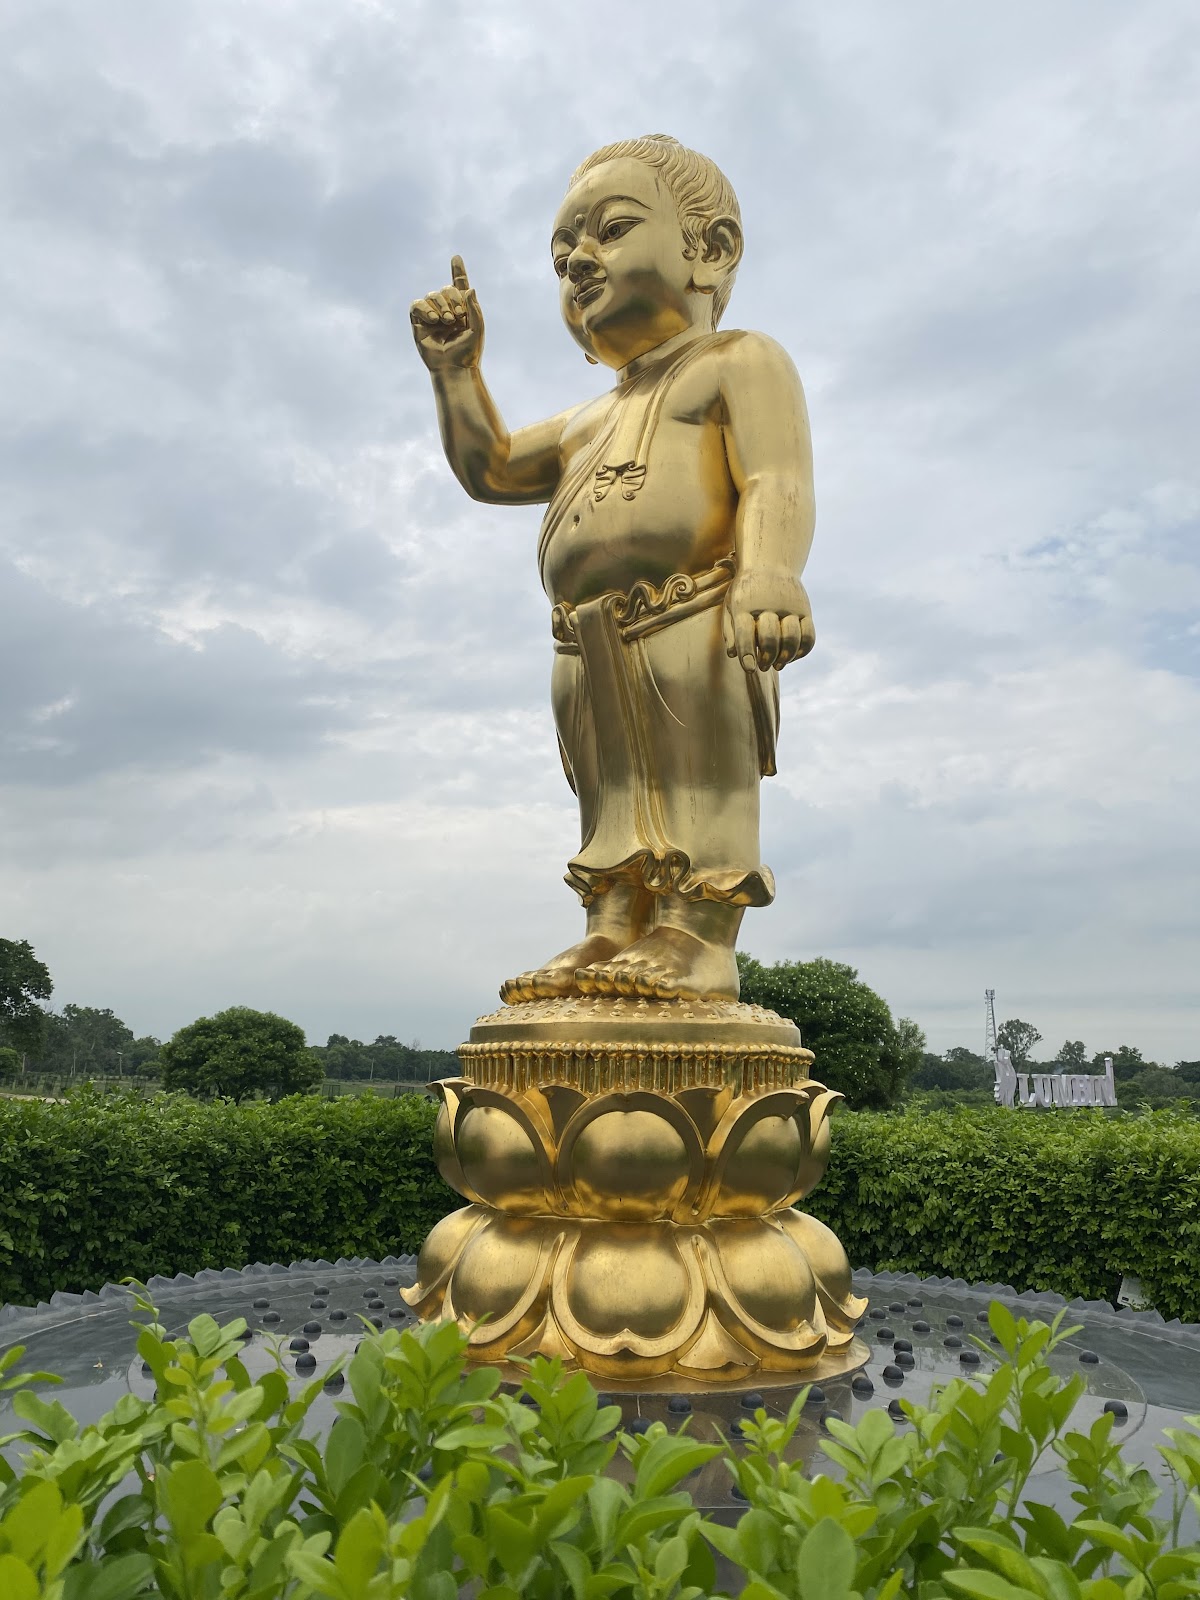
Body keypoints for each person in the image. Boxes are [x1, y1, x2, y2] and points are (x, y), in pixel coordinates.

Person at [411, 134, 816, 1004]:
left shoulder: (737, 361)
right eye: (562, 256)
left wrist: (771, 572)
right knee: (609, 788)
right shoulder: (583, 423)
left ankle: (697, 936)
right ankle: (610, 929)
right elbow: (490, 470)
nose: (579, 263)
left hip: (695, 616)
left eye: (611, 232)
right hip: (585, 639)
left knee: (697, 777)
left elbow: (776, 477)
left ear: (711, 251)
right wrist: (456, 374)